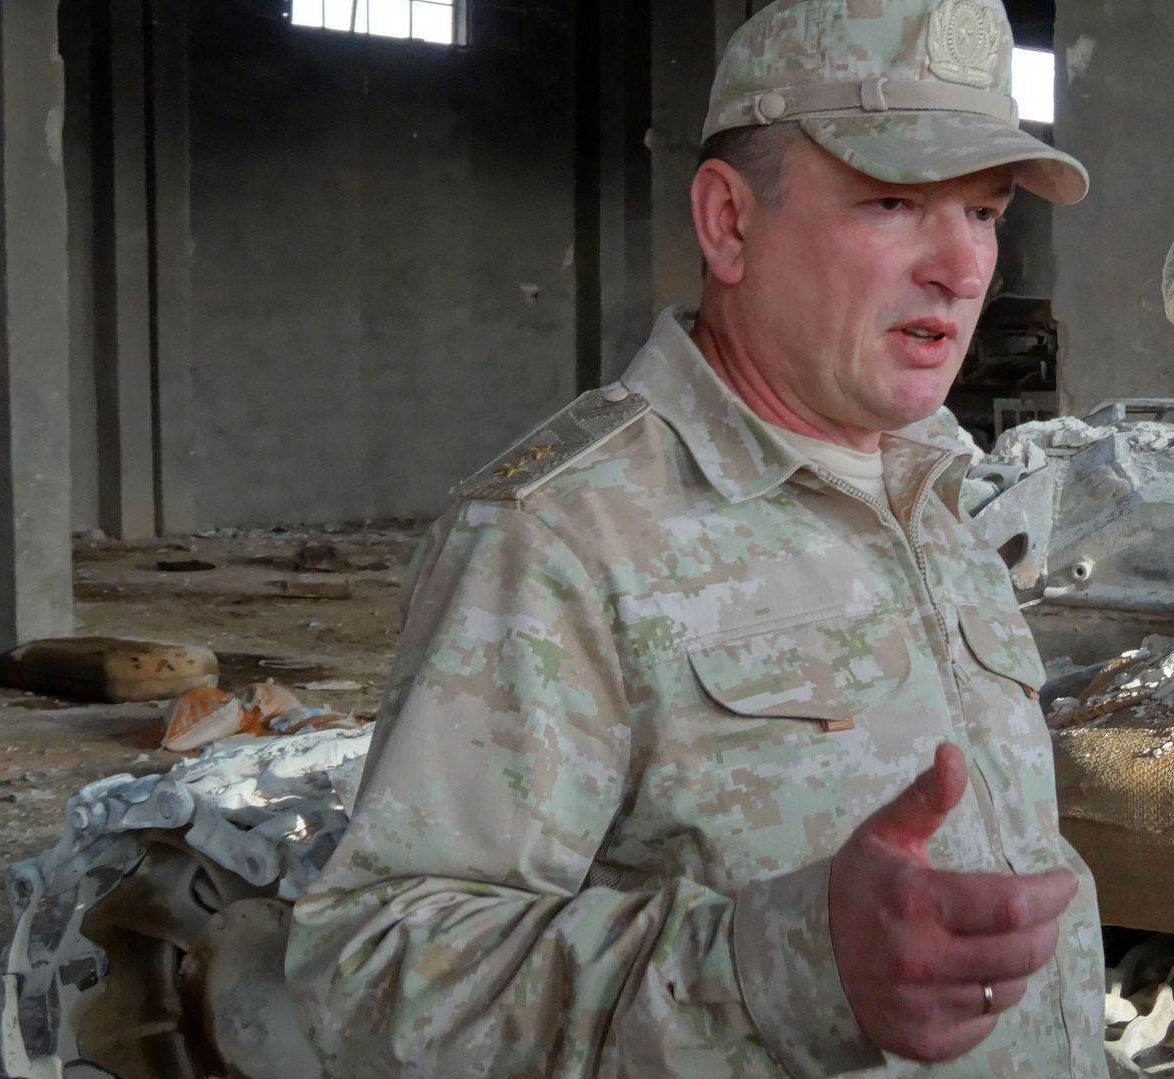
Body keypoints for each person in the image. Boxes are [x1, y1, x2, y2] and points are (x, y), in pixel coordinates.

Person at [285, 0, 1105, 1073]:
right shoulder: (564, 534)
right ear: (729, 223)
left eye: (986, 211)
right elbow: (372, 970)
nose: (962, 267)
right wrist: (781, 970)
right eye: (894, 202)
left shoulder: (935, 487)